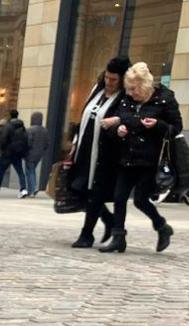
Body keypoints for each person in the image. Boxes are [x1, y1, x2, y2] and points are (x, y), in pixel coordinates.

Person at [101, 61, 180, 254]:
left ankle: (162, 227)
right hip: (127, 155)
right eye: (128, 89)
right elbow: (119, 120)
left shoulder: (165, 99)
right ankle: (118, 237)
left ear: (144, 86)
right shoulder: (127, 100)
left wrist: (158, 125)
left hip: (150, 160)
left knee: (140, 200)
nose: (130, 93)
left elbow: (175, 128)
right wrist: (117, 130)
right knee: (119, 197)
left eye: (133, 89)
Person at [66, 56, 129, 248]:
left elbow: (124, 123)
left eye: (114, 80)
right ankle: (109, 221)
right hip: (85, 150)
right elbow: (84, 117)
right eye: (107, 78)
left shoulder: (123, 100)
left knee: (95, 194)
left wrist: (116, 124)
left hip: (105, 155)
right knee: (79, 190)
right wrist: (75, 143)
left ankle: (87, 235)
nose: (109, 82)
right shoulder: (97, 91)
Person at [0, 110, 30, 198]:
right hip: (17, 153)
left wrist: (3, 149)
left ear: (10, 116)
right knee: (20, 172)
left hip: (7, 152)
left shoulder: (8, 126)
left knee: (0, 171)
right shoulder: (22, 127)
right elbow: (26, 140)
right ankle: (23, 189)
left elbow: (3, 139)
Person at [25, 111, 50, 195]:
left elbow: (28, 142)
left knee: (30, 171)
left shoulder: (30, 130)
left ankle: (33, 188)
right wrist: (42, 151)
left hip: (30, 153)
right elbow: (47, 144)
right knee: (32, 170)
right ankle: (31, 189)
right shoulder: (45, 130)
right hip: (39, 154)